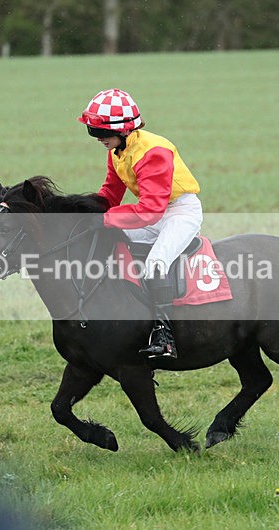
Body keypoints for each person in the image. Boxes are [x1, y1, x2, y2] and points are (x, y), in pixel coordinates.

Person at [78, 88, 202, 359]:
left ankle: (164, 335)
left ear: (123, 131)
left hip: (178, 213)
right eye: (93, 132)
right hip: (151, 212)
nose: (98, 139)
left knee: (155, 264)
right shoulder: (117, 152)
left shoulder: (152, 152)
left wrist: (106, 219)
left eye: (100, 133)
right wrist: (84, 214)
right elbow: (110, 194)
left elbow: (151, 210)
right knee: (110, 244)